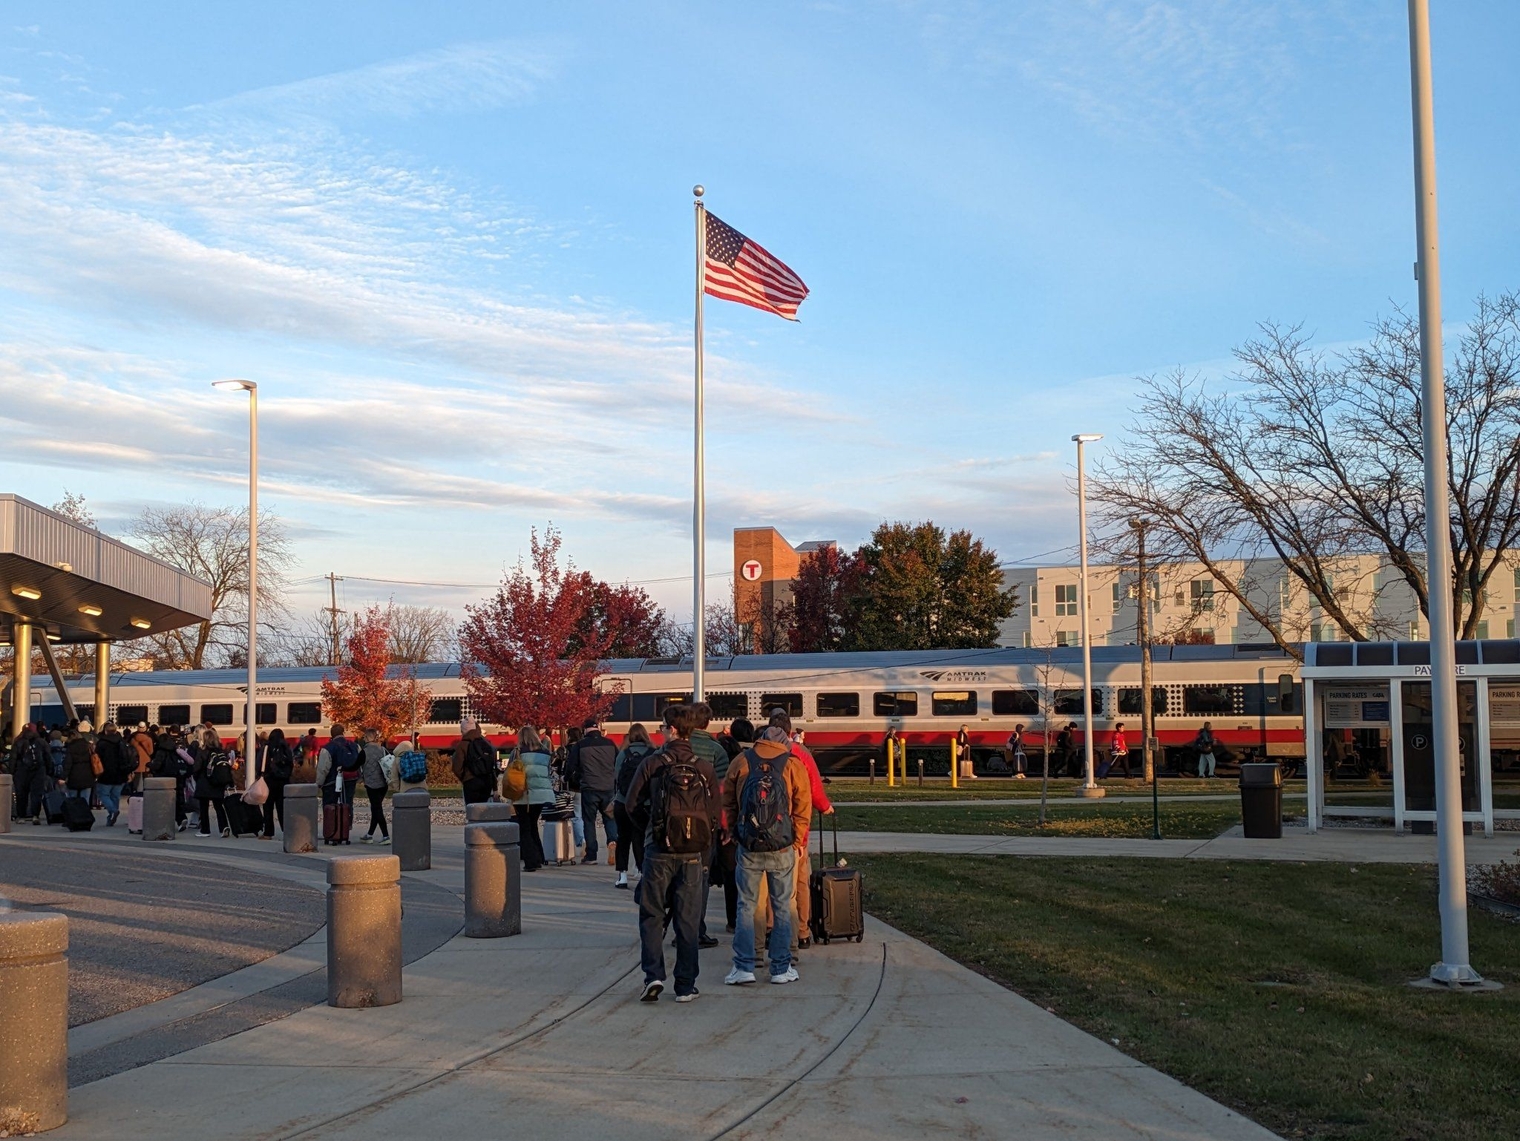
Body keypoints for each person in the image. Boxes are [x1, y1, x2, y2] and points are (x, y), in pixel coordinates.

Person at [625, 703, 720, 1004]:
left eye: (664, 726)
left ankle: (653, 976)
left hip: (658, 852)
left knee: (652, 915)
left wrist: (652, 830)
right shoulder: (703, 767)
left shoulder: (653, 764)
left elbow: (630, 805)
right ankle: (685, 985)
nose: (661, 730)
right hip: (693, 853)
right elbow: (714, 814)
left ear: (673, 729)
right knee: (688, 919)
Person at [723, 717, 812, 987]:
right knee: (783, 906)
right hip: (782, 845)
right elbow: (802, 806)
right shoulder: (793, 764)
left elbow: (728, 800)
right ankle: (781, 968)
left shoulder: (741, 761)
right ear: (784, 741)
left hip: (749, 845)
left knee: (747, 905)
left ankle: (744, 967)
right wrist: (795, 840)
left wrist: (737, 831)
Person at [766, 709, 831, 949]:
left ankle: (770, 927)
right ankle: (802, 931)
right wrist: (826, 807)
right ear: (790, 731)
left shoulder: (757, 752)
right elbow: (814, 790)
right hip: (795, 831)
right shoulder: (801, 753)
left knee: (769, 884)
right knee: (800, 882)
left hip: (764, 831)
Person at [688, 702, 729, 948]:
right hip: (704, 824)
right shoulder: (716, 751)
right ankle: (697, 929)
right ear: (707, 722)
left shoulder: (670, 748)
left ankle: (676, 926)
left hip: (672, 824)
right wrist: (724, 825)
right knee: (700, 877)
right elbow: (721, 793)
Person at [715, 717, 755, 928]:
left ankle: (734, 920)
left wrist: (726, 828)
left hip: (730, 831)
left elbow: (725, 802)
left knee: (731, 876)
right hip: (753, 826)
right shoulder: (755, 760)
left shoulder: (728, 771)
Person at [566, 718, 619, 866]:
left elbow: (571, 766)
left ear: (585, 730)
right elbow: (618, 762)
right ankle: (612, 841)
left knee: (589, 821)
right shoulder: (610, 743)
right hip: (608, 788)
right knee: (609, 818)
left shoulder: (580, 745)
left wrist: (567, 777)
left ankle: (591, 855)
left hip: (589, 788)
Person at [611, 723, 654, 888]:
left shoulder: (624, 753)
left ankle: (622, 876)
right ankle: (642, 873)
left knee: (623, 838)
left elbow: (616, 776)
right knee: (640, 838)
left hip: (623, 801)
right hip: (644, 803)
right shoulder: (653, 753)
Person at [510, 725, 555, 872]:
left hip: (524, 793)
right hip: (542, 793)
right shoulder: (545, 753)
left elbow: (510, 772)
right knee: (533, 824)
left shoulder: (517, 752)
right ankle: (539, 857)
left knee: (524, 827)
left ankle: (531, 861)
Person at [319, 724, 360, 845]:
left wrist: (319, 783)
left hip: (332, 780)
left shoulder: (328, 748)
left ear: (331, 734)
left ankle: (331, 831)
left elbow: (323, 768)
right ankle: (345, 829)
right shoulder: (354, 745)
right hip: (350, 779)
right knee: (347, 803)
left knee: (330, 805)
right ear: (343, 732)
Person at [192, 727, 237, 837]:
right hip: (218, 783)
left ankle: (205, 830)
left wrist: (197, 778)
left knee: (204, 807)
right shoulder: (221, 752)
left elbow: (196, 768)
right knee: (218, 806)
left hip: (204, 782)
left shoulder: (202, 752)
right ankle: (224, 827)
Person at [10, 723, 50, 824]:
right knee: (36, 794)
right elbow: (48, 757)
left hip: (21, 771)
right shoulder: (41, 742)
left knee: (21, 794)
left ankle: (21, 816)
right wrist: (49, 770)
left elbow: (13, 758)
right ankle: (35, 815)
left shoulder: (18, 742)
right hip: (38, 771)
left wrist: (12, 772)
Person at [452, 717, 497, 806]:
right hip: (486, 781)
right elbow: (492, 765)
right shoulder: (486, 743)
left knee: (472, 811)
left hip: (470, 781)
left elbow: (457, 768)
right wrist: (494, 786)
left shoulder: (462, 745)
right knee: (483, 810)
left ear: (464, 730)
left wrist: (465, 778)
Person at [93, 721, 131, 826]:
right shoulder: (122, 742)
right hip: (120, 773)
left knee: (103, 794)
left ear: (106, 731)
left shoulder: (101, 743)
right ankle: (111, 817)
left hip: (106, 773)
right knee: (115, 796)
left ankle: (113, 811)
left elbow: (97, 759)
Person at [261, 727, 295, 838]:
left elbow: (261, 763)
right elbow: (291, 764)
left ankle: (268, 832)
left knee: (268, 807)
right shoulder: (286, 747)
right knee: (282, 808)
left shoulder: (267, 747)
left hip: (269, 780)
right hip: (283, 782)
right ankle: (287, 831)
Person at [359, 728, 391, 844]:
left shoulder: (364, 752)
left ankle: (386, 836)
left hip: (371, 784)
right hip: (383, 784)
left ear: (367, 738)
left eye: (364, 737)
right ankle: (370, 834)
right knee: (375, 808)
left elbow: (355, 765)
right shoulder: (383, 749)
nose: (363, 739)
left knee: (377, 809)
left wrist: (343, 768)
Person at [63, 724, 97, 809]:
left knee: (73, 799)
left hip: (74, 776)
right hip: (88, 775)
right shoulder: (88, 746)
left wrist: (63, 777)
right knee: (85, 799)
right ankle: (85, 816)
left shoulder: (70, 748)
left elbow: (68, 763)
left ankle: (75, 816)